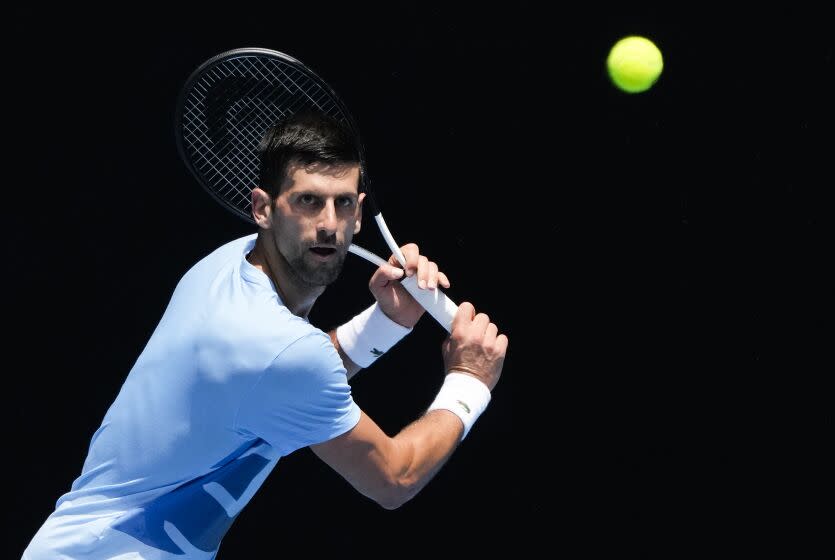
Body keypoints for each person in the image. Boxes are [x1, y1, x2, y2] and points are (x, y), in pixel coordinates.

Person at [22, 111, 508, 559]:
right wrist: (469, 380)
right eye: (307, 202)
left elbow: (286, 385)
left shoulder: (227, 266)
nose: (328, 225)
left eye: (342, 205)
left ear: (360, 214)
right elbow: (394, 479)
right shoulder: (274, 347)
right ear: (263, 208)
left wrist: (388, 322)